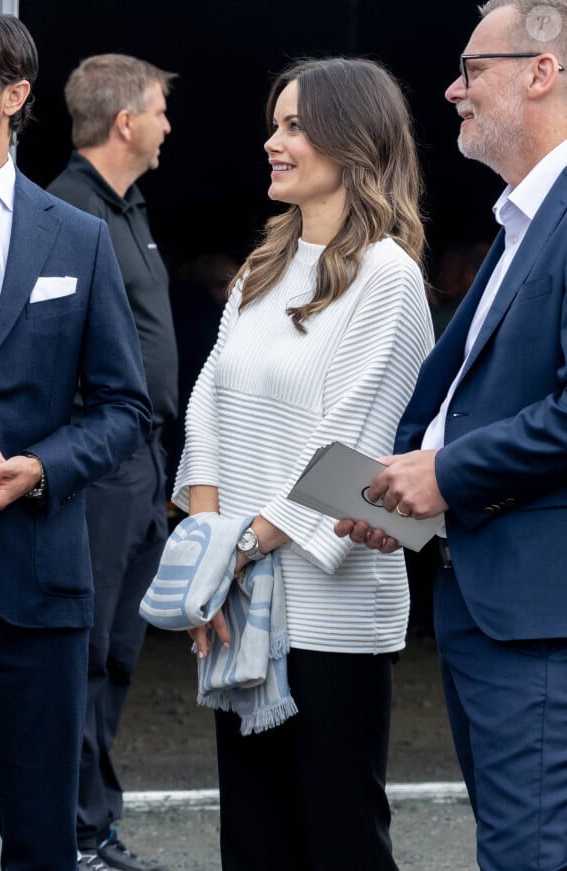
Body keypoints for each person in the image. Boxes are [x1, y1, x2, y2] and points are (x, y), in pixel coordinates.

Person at [173, 57, 434, 871]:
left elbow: (347, 451)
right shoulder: (260, 268)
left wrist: (230, 557)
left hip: (332, 613)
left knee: (340, 839)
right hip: (240, 596)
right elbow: (205, 410)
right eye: (275, 123)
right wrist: (210, 557)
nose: (271, 143)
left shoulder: (388, 278)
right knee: (252, 842)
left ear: (352, 142)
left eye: (293, 126)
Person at [336, 2, 567, 869]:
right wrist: (400, 493)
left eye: (472, 69)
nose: (452, 88)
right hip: (489, 601)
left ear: (541, 72)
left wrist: (447, 473)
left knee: (528, 852)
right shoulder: (523, 222)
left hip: (538, 613)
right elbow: (471, 401)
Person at [0, 9, 152, 871]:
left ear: (14, 94)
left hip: (36, 590)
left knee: (42, 842)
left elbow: (126, 407)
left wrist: (40, 468)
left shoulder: (77, 237)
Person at [48, 54, 178, 871]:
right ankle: (71, 832)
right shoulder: (64, 214)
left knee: (118, 654)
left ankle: (93, 823)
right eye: (160, 112)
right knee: (84, 655)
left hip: (144, 462)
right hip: (100, 466)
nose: (169, 128)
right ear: (125, 122)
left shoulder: (127, 210)